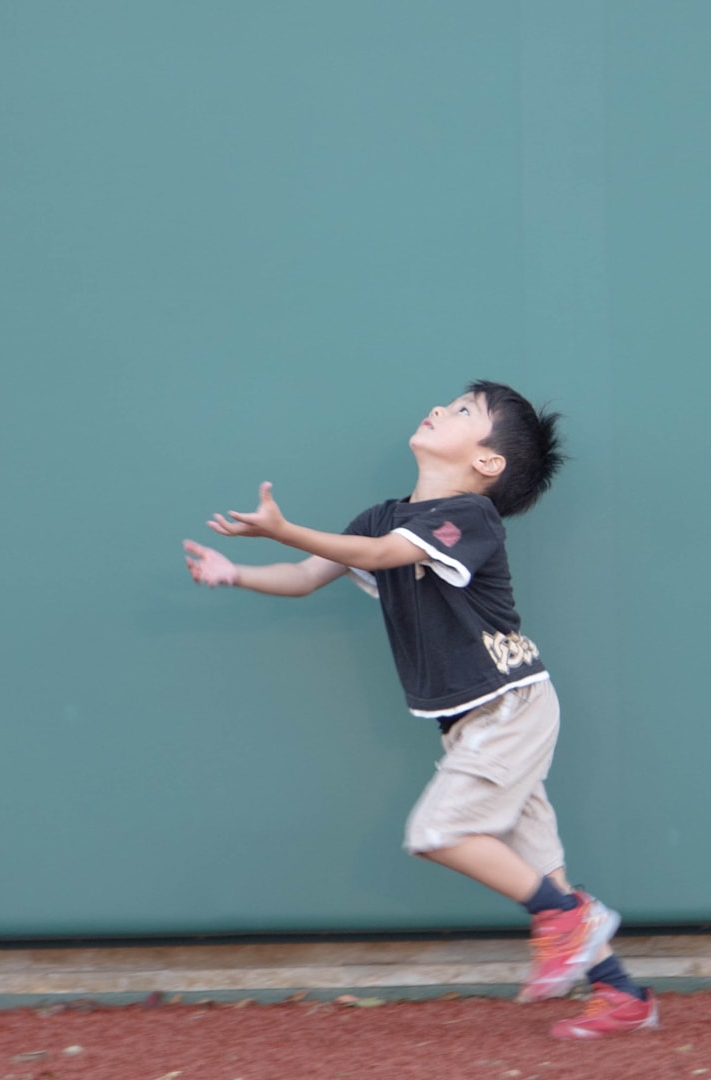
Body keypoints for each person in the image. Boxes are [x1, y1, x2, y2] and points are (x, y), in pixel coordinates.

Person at [181, 380, 658, 1040]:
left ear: (487, 463)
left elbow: (381, 557)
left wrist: (287, 529)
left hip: (509, 708)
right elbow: (302, 579)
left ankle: (570, 918)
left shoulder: (471, 517)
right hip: (476, 721)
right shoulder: (382, 515)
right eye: (451, 401)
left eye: (465, 411)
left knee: (438, 832)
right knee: (539, 871)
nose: (441, 408)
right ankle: (622, 993)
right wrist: (235, 571)